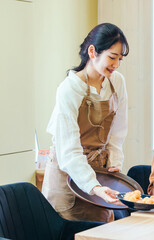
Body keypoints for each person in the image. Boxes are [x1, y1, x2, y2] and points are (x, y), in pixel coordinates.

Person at [42, 23, 129, 223]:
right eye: (112, 57)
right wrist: (94, 186)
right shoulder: (69, 89)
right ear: (92, 51)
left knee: (102, 232)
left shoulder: (117, 82)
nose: (116, 64)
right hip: (66, 176)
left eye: (120, 59)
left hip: (99, 174)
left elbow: (117, 134)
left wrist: (114, 163)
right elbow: (69, 152)